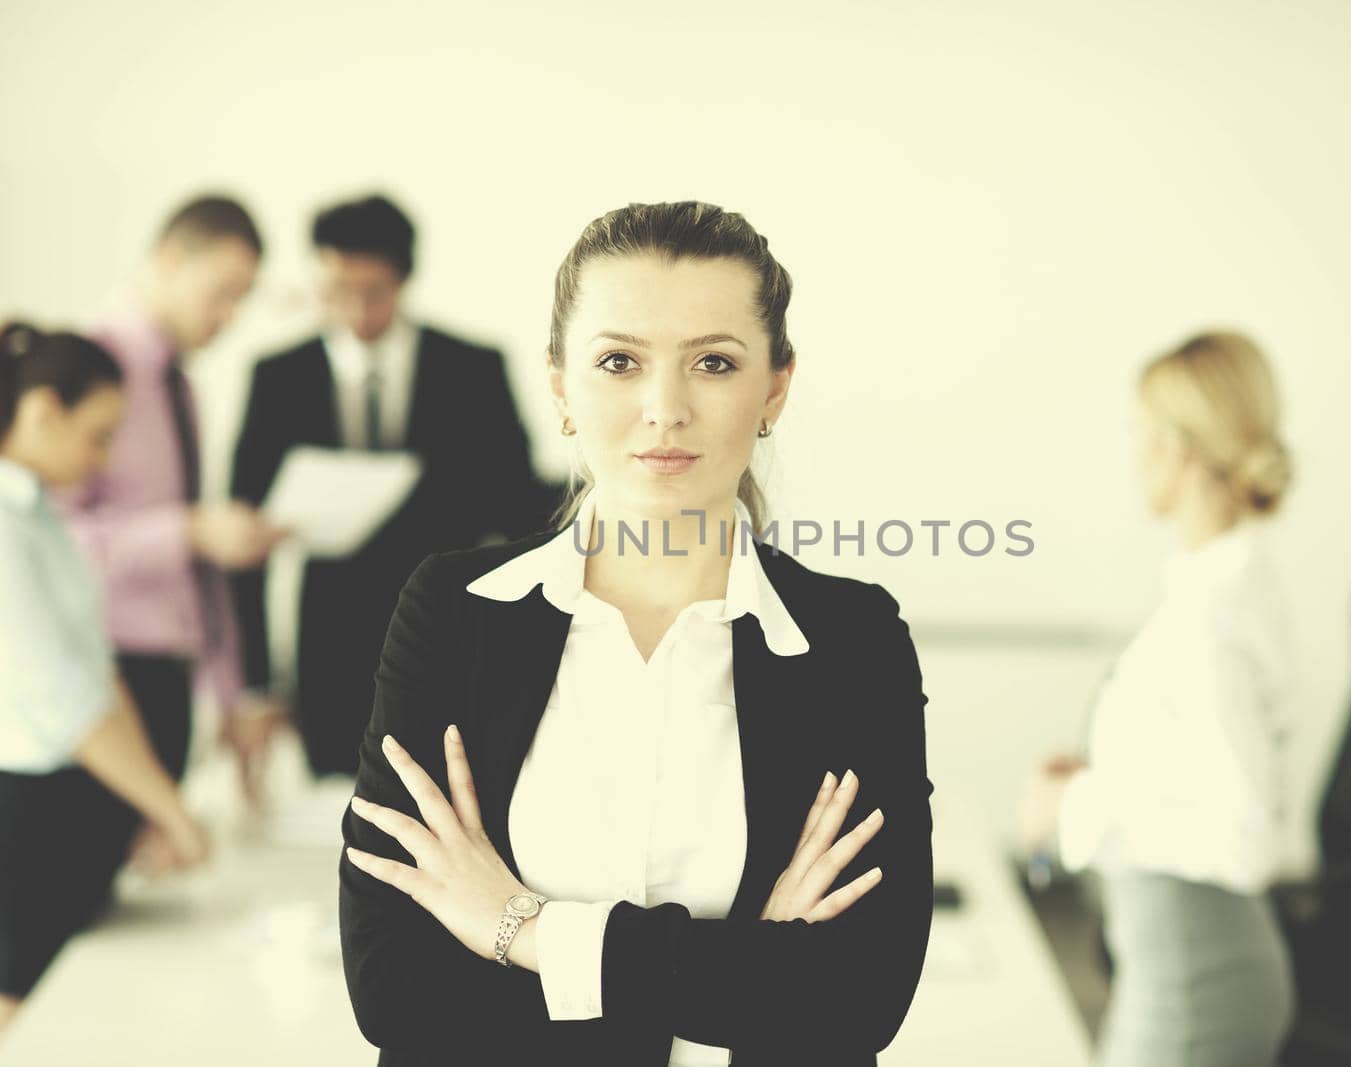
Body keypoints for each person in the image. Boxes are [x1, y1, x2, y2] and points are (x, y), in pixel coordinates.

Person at [337, 201, 934, 1065]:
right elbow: (396, 989)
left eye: (714, 363)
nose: (665, 408)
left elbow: (857, 997)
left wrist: (519, 928)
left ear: (774, 388)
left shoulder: (851, 639)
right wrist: (751, 964)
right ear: (560, 387)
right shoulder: (452, 611)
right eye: (619, 361)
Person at [1020, 331, 1298, 1067]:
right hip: (1180, 969)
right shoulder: (1217, 582)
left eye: (1142, 435)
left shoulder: (1215, 616)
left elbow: (1245, 841)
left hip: (1196, 989)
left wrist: (1072, 807)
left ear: (1179, 448)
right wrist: (1093, 778)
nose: (1136, 455)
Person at [230, 193, 556, 779]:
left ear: (404, 280)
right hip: (326, 648)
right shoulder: (278, 377)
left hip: (450, 632)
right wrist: (254, 684)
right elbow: (243, 540)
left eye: (373, 292)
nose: (355, 310)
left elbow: (518, 511)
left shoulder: (473, 369)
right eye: (335, 291)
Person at [0, 324, 210, 1037]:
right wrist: (175, 812)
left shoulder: (40, 517)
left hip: (63, 813)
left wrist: (156, 799)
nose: (105, 457)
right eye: (97, 435)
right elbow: (66, 701)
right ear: (40, 412)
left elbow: (98, 671)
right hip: (21, 819)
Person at [56, 194, 284, 839]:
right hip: (107, 680)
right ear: (169, 259)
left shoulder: (179, 385)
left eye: (243, 298)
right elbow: (47, 540)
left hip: (171, 681)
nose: (230, 317)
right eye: (222, 292)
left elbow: (198, 564)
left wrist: (231, 696)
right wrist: (187, 530)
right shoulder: (86, 369)